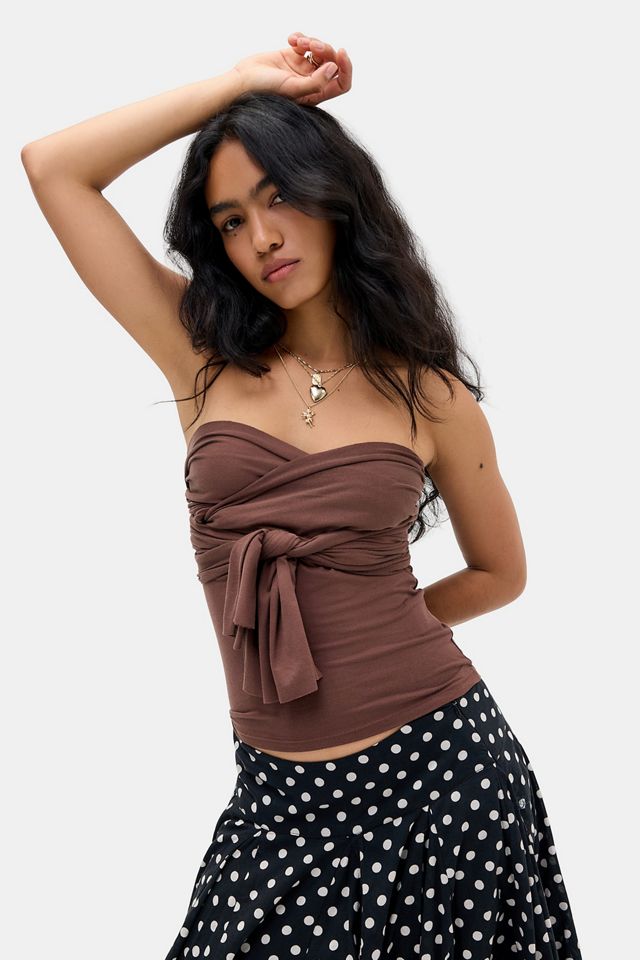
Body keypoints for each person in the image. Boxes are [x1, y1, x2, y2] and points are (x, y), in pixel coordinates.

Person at [21, 30, 583, 960]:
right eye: (231, 220)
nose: (262, 237)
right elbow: (54, 169)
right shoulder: (200, 357)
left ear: (335, 197)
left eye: (279, 195)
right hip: (276, 802)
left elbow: (500, 572)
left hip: (443, 780)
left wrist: (374, 625)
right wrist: (240, 87)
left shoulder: (432, 397)